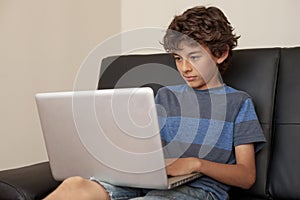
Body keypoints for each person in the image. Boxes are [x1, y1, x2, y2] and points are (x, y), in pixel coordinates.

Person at [44, 6, 266, 200]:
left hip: (199, 191)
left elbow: (246, 176)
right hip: (145, 183)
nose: (184, 68)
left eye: (194, 57)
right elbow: (147, 148)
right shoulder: (165, 96)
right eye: (178, 58)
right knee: (75, 186)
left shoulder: (239, 102)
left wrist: (196, 164)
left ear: (221, 54)